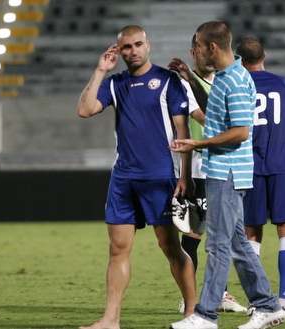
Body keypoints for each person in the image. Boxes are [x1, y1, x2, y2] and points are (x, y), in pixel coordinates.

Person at [76, 25, 197, 329]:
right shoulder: (115, 83)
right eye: (126, 47)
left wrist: (186, 176)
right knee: (117, 248)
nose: (132, 51)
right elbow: (85, 109)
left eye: (137, 45)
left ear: (148, 45)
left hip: (159, 177)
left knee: (170, 247)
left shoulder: (168, 81)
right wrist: (100, 70)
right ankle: (110, 319)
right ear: (119, 51)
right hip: (124, 178)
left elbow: (184, 132)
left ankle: (193, 314)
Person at [168, 21, 285, 329]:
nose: (195, 51)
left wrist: (199, 142)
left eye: (198, 44)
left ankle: (205, 315)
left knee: (217, 244)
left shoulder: (233, 80)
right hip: (224, 169)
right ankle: (268, 305)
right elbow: (216, 113)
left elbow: (240, 132)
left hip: (228, 171)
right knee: (237, 244)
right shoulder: (225, 75)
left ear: (212, 47)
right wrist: (190, 79)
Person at [235, 37, 285, 318]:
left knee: (251, 234)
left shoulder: (238, 86)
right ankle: (284, 302)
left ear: (239, 61)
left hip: (250, 167)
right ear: (264, 55)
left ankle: (257, 302)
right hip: (283, 166)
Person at [177, 34, 247, 314]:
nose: (205, 55)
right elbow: (204, 117)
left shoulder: (223, 80)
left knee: (224, 234)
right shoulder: (183, 83)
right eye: (200, 49)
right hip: (197, 167)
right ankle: (190, 297)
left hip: (222, 166)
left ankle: (220, 292)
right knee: (194, 235)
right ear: (195, 52)